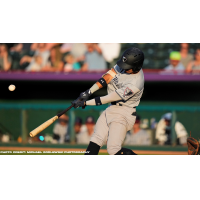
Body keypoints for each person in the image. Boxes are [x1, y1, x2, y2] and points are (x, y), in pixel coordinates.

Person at [72, 47, 145, 155]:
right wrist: (88, 92)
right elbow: (107, 77)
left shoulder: (135, 83)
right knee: (96, 139)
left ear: (136, 66)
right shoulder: (123, 65)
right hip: (112, 108)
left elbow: (108, 97)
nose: (124, 68)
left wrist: (85, 103)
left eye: (127, 67)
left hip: (124, 113)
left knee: (113, 149)